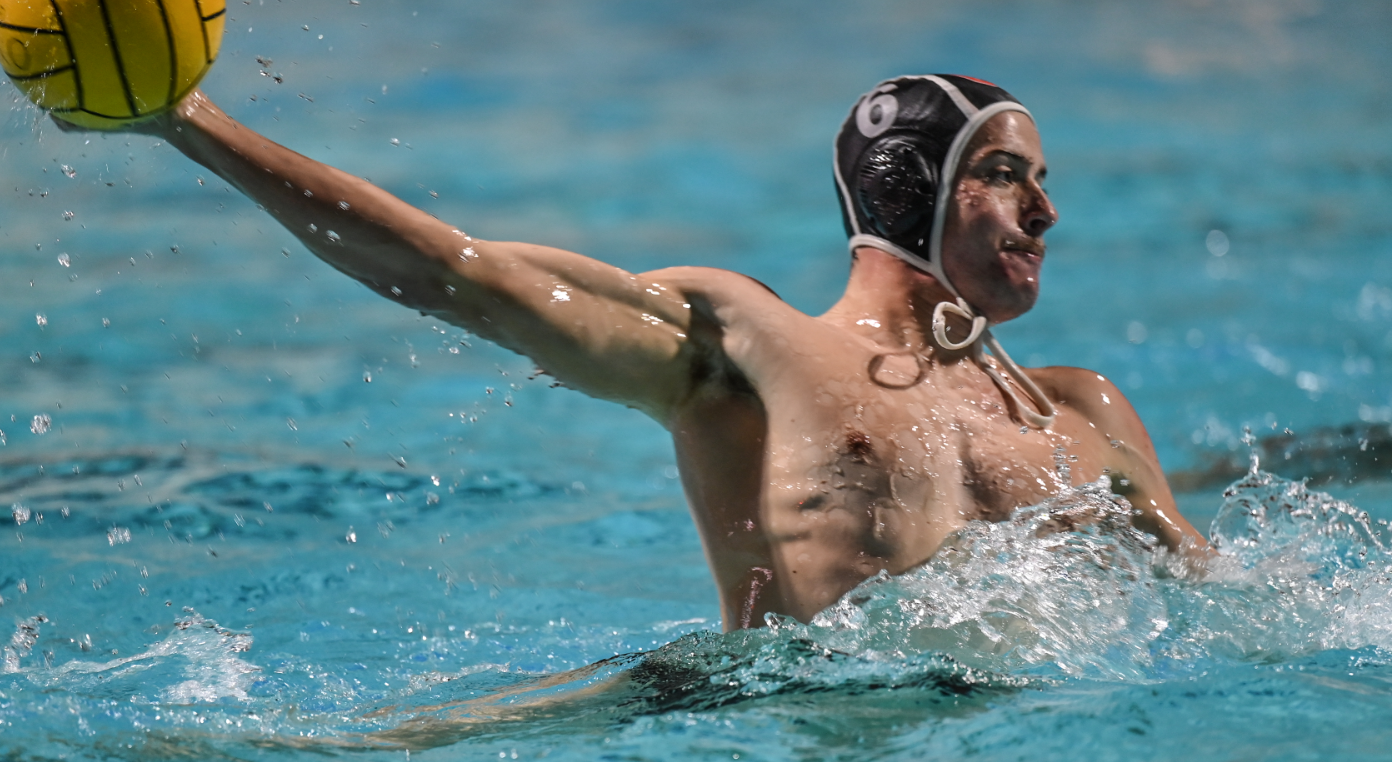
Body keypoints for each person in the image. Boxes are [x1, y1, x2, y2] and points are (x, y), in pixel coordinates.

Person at [80, 74, 1209, 630]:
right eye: (1008, 174)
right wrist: (194, 124)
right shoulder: (750, 346)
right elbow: (458, 275)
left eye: (1043, 182)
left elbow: (1229, 609)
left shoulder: (1081, 412)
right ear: (912, 185)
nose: (1047, 213)